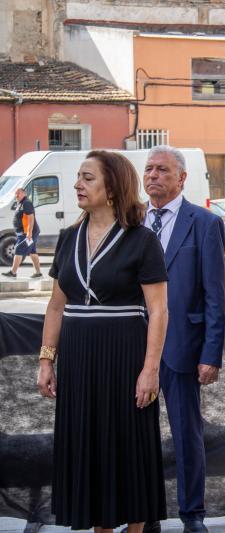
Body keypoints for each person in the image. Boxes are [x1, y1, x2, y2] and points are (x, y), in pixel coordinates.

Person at [36, 150, 168, 531]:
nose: (78, 184)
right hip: (78, 361)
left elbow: (159, 311)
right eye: (79, 177)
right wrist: (47, 361)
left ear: (111, 188)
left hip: (125, 359)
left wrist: (150, 370)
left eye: (87, 178)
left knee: (128, 450)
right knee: (89, 448)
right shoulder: (67, 238)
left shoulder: (141, 240)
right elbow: (56, 307)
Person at [136, 145, 225, 533]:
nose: (153, 176)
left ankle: (193, 515)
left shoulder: (203, 223)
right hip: (133, 349)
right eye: (149, 169)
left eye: (162, 170)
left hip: (183, 349)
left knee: (187, 435)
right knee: (138, 439)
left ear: (182, 178)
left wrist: (211, 353)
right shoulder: (131, 220)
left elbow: (214, 295)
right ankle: (146, 514)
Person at [3, 188, 43, 278]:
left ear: (24, 194)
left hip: (27, 232)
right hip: (23, 232)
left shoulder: (26, 203)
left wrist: (29, 232)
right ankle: (38, 273)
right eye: (15, 194)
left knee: (18, 249)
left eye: (18, 193)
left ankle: (13, 272)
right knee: (32, 252)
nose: (16, 195)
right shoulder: (20, 203)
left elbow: (31, 218)